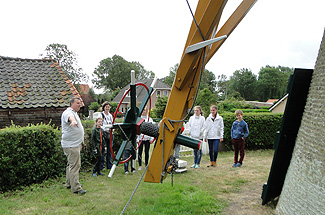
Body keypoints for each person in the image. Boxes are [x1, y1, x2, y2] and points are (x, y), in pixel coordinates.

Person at [61, 97, 86, 194]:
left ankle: (69, 183)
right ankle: (76, 188)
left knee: (70, 165)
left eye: (80, 103)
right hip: (71, 145)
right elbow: (70, 117)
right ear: (72, 104)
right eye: (77, 103)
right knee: (75, 165)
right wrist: (73, 121)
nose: (80, 105)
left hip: (74, 144)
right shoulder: (68, 112)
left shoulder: (74, 113)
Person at [101, 102, 114, 170]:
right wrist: (106, 128)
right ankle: (102, 165)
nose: (107, 108)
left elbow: (112, 123)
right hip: (104, 134)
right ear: (104, 107)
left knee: (110, 150)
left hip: (110, 134)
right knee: (104, 150)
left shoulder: (110, 115)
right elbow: (100, 125)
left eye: (108, 107)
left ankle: (109, 165)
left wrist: (112, 129)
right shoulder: (101, 115)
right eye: (106, 107)